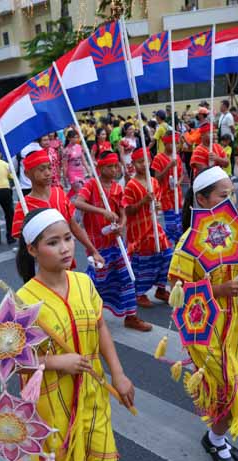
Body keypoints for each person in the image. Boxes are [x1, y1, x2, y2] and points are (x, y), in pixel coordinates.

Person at [15, 207, 135, 461]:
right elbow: (13, 360)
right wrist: (57, 362)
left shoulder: (84, 283)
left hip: (94, 391)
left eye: (68, 238)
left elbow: (100, 326)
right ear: (32, 249)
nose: (65, 248)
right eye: (53, 242)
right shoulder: (23, 300)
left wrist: (118, 373)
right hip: (53, 403)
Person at [169, 166, 238, 461]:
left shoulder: (233, 232)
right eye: (223, 196)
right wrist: (219, 288)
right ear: (202, 198)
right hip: (205, 333)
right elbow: (179, 296)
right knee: (233, 391)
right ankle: (216, 438)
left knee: (222, 390)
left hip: (232, 325)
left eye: (232, 195)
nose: (231, 202)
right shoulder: (187, 244)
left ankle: (215, 437)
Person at [74, 151, 150, 331]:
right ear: (100, 168)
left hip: (116, 243)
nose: (115, 169)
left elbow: (122, 212)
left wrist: (121, 225)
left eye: (116, 166)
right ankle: (87, 315)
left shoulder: (117, 188)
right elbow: (78, 202)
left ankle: (131, 316)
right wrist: (102, 212)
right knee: (97, 282)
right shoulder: (92, 184)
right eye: (110, 166)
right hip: (97, 246)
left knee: (127, 277)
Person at [11, 149, 104, 268]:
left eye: (49, 168)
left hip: (66, 263)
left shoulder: (59, 193)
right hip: (44, 269)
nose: (48, 173)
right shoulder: (23, 206)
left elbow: (74, 226)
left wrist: (93, 250)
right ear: (27, 173)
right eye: (42, 169)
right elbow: (25, 244)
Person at [123, 147, 173, 308]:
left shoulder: (154, 182)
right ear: (133, 164)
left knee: (167, 254)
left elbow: (156, 208)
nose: (143, 165)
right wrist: (142, 202)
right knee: (143, 261)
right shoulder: (131, 185)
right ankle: (140, 293)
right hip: (138, 230)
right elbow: (128, 210)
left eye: (146, 161)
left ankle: (160, 288)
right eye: (139, 162)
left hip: (153, 227)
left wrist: (157, 205)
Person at [151, 133, 183, 243]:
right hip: (166, 197)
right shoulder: (158, 158)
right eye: (174, 143)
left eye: (178, 143)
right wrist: (168, 166)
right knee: (171, 226)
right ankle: (167, 246)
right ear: (165, 144)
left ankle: (178, 249)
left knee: (180, 225)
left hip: (177, 196)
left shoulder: (177, 157)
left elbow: (181, 174)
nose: (177, 146)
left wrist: (178, 182)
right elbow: (157, 178)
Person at [63, 129, 91, 197]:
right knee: (79, 190)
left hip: (81, 171)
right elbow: (65, 165)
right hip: (72, 173)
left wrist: (88, 171)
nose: (76, 139)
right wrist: (64, 177)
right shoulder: (66, 150)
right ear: (69, 138)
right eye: (74, 137)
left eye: (77, 137)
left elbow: (84, 160)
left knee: (77, 190)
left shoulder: (79, 147)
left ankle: (67, 201)